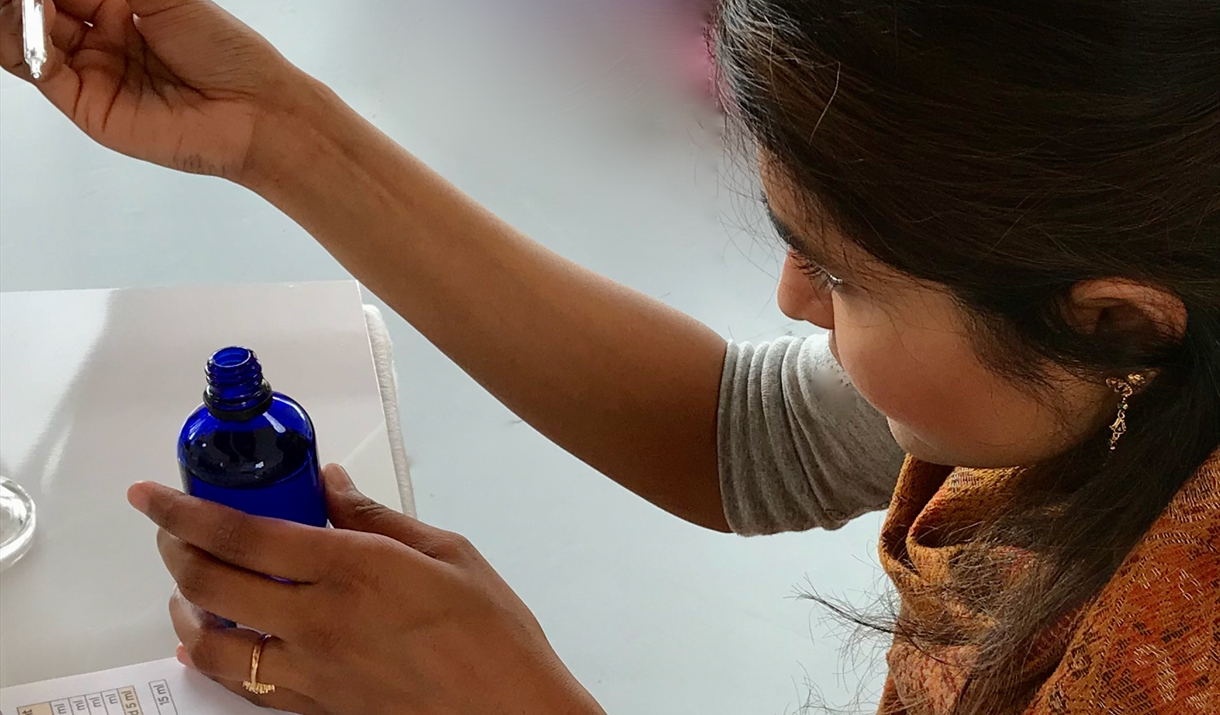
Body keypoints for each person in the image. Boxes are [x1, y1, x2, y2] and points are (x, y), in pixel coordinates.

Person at [2, 0, 1216, 712]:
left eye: (839, 274)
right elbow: (747, 432)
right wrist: (276, 131)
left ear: (1111, 323)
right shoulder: (1133, 336)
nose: (791, 299)